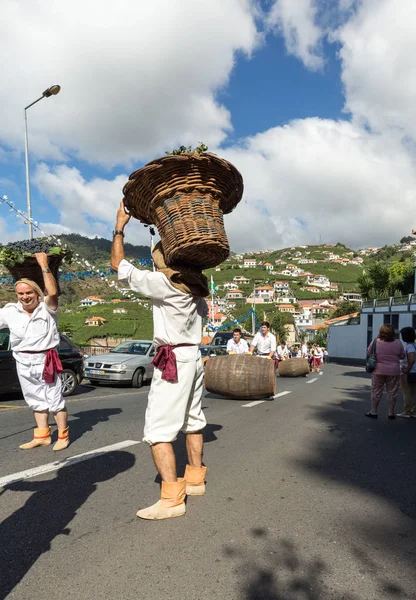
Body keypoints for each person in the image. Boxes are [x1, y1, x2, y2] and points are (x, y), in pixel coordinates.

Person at [111, 202, 209, 520]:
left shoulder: (164, 284)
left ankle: (171, 499)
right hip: (194, 356)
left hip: (174, 359)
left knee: (158, 429)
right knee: (193, 419)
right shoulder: (196, 288)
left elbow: (118, 267)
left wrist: (119, 226)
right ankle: (195, 479)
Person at [0, 253, 69, 451]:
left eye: (28, 293)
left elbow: (53, 292)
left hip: (46, 359)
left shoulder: (48, 308)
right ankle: (43, 436)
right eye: (21, 294)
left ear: (37, 293)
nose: (25, 297)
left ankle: (63, 435)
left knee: (54, 399)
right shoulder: (10, 311)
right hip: (22, 361)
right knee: (35, 399)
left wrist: (43, 264)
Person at [365, 324, 405, 419]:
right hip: (394, 371)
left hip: (378, 370)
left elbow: (369, 353)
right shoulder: (398, 343)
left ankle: (374, 411)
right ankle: (391, 413)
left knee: (376, 391)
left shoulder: (375, 342)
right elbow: (402, 356)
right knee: (392, 392)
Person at [397, 327, 416, 418]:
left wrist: (407, 369)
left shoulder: (409, 346)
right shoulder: (414, 345)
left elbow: (411, 359)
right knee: (414, 392)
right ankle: (414, 410)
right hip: (414, 372)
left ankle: (407, 411)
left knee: (407, 392)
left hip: (409, 372)